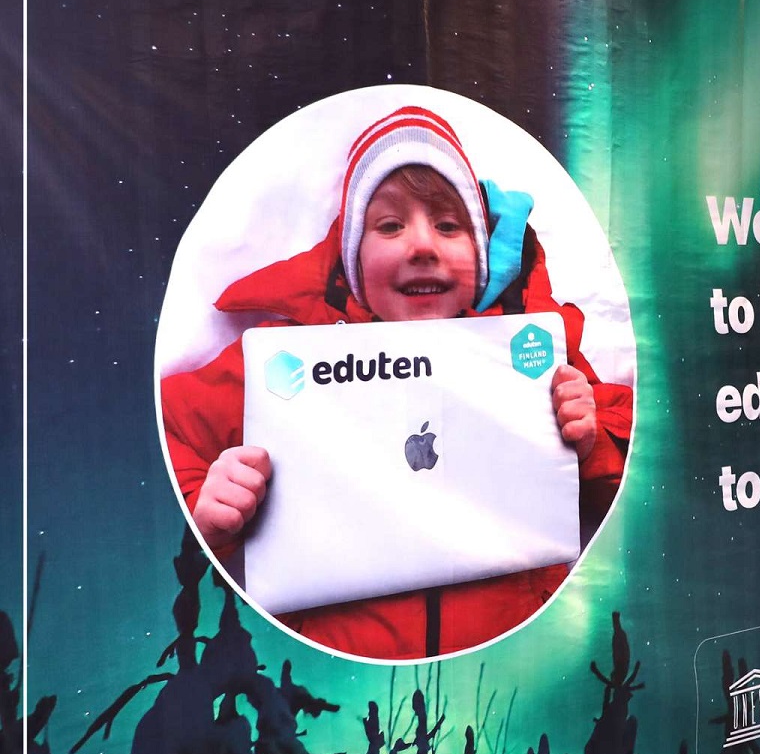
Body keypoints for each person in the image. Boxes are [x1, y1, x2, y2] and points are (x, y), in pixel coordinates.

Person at [161, 104, 632, 659]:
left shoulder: (532, 350)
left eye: (449, 226)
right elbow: (164, 434)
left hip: (521, 661)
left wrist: (590, 442)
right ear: (353, 258)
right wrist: (207, 511)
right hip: (338, 674)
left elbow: (636, 485)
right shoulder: (288, 359)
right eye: (389, 226)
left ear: (481, 255)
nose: (423, 246)